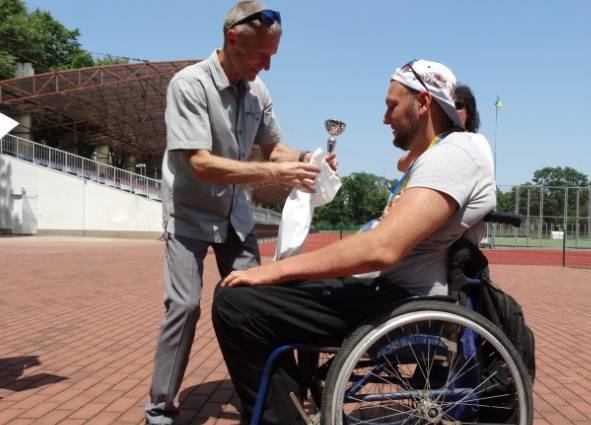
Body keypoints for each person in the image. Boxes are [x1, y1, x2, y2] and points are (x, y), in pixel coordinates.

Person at [212, 59, 496, 424]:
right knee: (261, 293)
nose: (384, 117)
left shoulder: (456, 153)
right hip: (390, 292)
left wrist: (277, 270)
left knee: (235, 303)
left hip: (400, 302)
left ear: (423, 103)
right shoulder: (443, 154)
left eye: (392, 105)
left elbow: (382, 247)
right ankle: (286, 404)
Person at [145, 2, 332, 424]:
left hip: (235, 217)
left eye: (272, 56)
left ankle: (269, 398)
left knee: (259, 301)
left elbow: (274, 148)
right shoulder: (188, 85)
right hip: (189, 215)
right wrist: (274, 171)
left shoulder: (258, 93)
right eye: (261, 55)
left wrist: (306, 159)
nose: (267, 66)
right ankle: (159, 406)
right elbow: (201, 163)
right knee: (184, 305)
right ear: (233, 38)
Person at [397, 83, 494, 173]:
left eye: (458, 105)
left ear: (469, 111)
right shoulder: (436, 141)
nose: (453, 110)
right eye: (448, 106)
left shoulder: (476, 140)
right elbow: (402, 166)